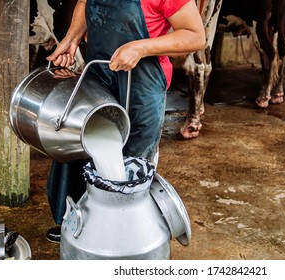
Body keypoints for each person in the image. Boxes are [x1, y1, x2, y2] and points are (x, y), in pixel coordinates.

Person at [44, 0, 205, 243]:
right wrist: (72, 39)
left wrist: (141, 48)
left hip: (142, 83)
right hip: (99, 75)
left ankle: (122, 236)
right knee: (79, 147)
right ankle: (77, 224)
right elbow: (84, 3)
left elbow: (195, 37)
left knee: (133, 162)